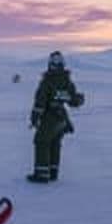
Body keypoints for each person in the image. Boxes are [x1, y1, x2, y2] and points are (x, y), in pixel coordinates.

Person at [27, 51, 84, 183]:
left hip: (49, 118)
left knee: (41, 142)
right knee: (54, 143)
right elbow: (73, 101)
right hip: (62, 118)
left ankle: (41, 174)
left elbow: (40, 102)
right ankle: (53, 172)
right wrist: (79, 99)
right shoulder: (67, 81)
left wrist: (35, 117)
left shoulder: (48, 81)